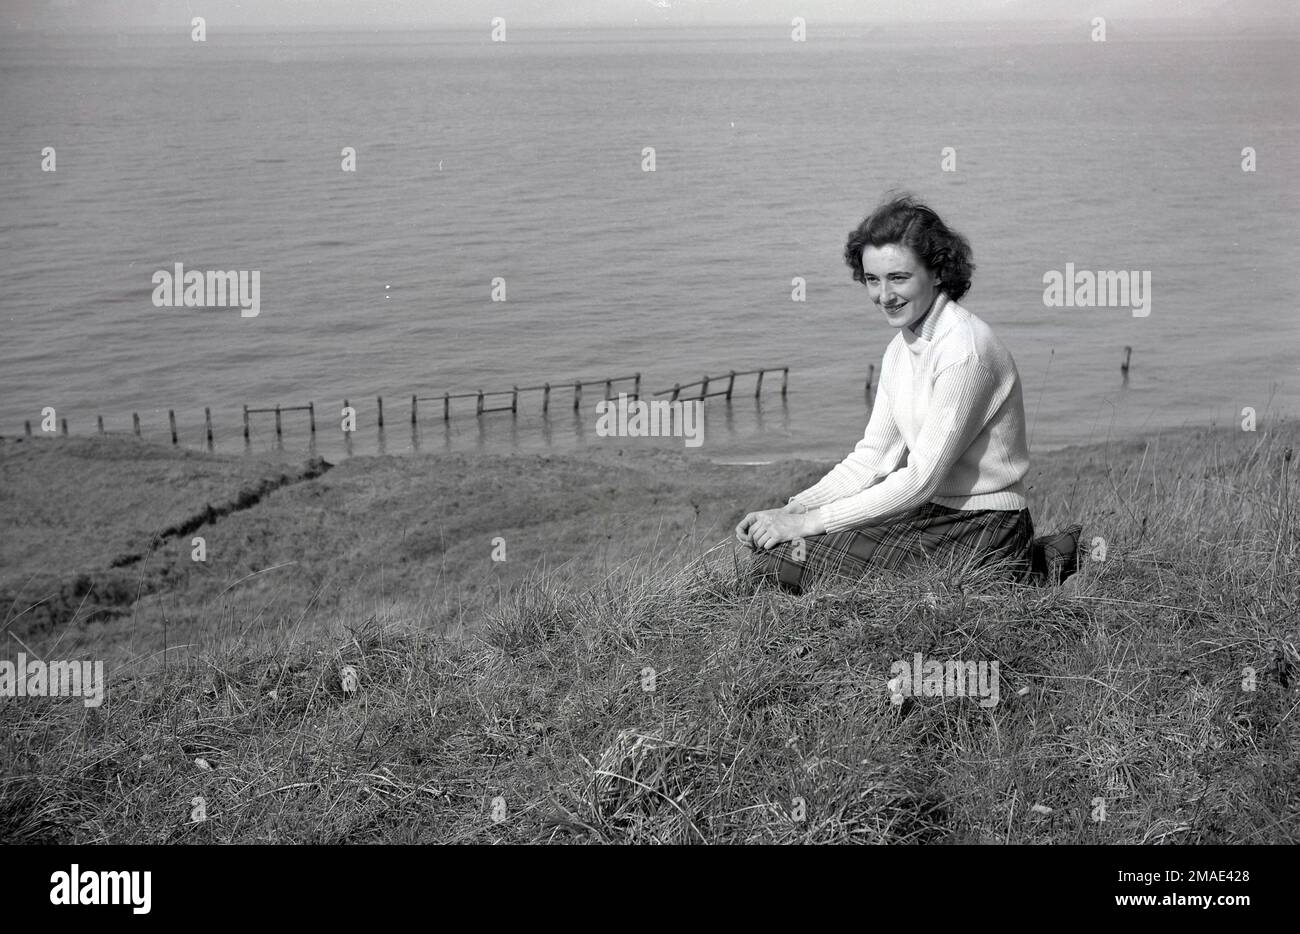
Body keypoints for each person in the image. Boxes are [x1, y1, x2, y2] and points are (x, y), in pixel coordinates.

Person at [737, 193, 1038, 594]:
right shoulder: (901, 348)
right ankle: (1038, 564)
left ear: (937, 272)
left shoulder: (964, 350)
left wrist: (805, 525)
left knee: (783, 563)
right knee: (782, 553)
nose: (884, 295)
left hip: (986, 524)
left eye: (898, 278)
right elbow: (872, 460)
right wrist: (794, 508)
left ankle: (1025, 566)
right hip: (932, 513)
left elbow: (921, 479)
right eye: (872, 280)